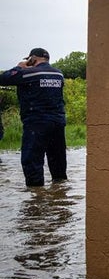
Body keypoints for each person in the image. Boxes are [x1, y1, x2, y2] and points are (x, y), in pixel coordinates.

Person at [0, 48, 67, 187]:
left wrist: (19, 66)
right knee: (58, 160)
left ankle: (36, 197)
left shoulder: (27, 73)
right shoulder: (58, 74)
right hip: (58, 122)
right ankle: (59, 191)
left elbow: (4, 79)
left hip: (36, 123)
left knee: (32, 161)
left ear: (32, 59)